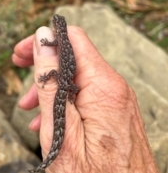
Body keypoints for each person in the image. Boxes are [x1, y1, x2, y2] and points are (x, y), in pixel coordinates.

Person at [12, 25, 158, 173]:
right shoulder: (65, 41)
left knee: (53, 80)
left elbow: (52, 45)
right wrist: (71, 93)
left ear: (57, 28)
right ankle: (46, 160)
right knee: (58, 114)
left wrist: (46, 49)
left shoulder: (59, 40)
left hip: (65, 81)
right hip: (67, 83)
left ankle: (45, 162)